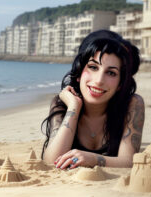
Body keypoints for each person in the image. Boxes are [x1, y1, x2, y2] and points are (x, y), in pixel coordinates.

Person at [41, 30, 145, 169]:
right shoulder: (62, 103)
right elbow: (51, 161)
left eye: (111, 73)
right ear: (78, 73)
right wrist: (73, 107)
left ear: (120, 83)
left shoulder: (132, 104)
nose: (99, 81)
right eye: (93, 67)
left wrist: (92, 159)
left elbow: (129, 162)